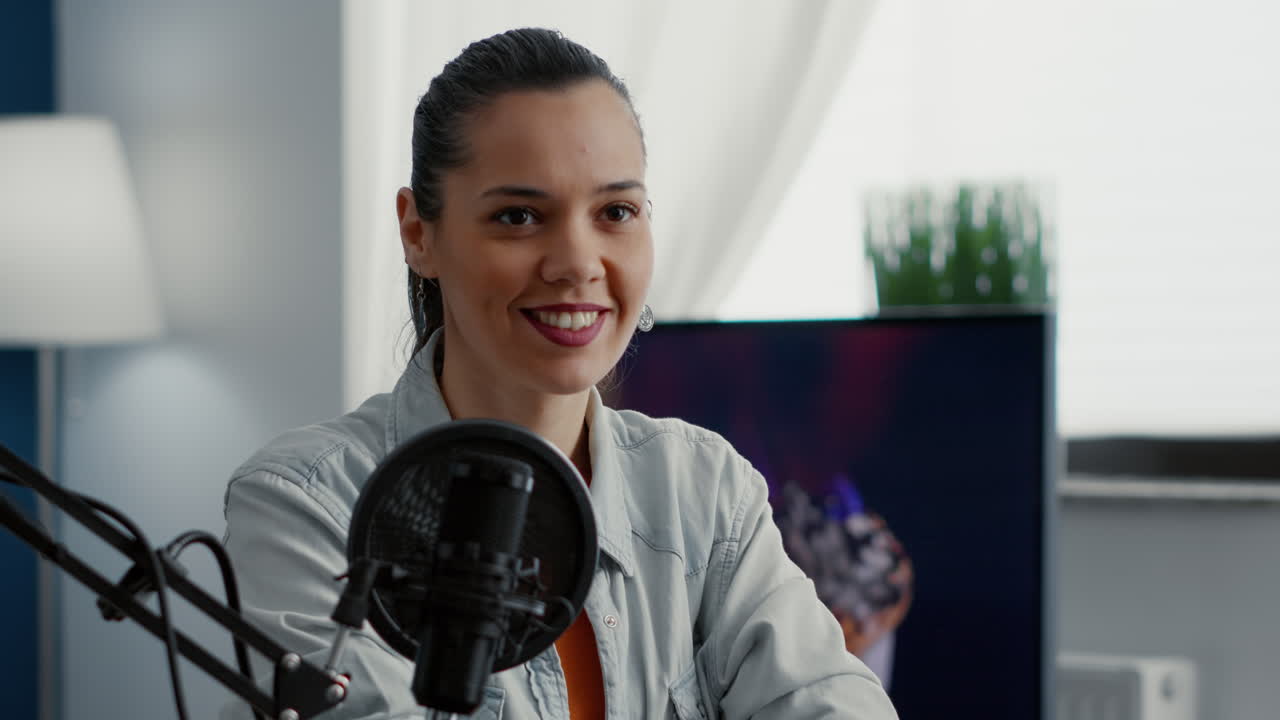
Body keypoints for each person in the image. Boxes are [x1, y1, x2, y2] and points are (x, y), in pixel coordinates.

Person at [221, 27, 898, 719]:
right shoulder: (309, 505)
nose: (578, 262)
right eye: (519, 216)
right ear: (419, 233)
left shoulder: (703, 491)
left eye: (616, 212)